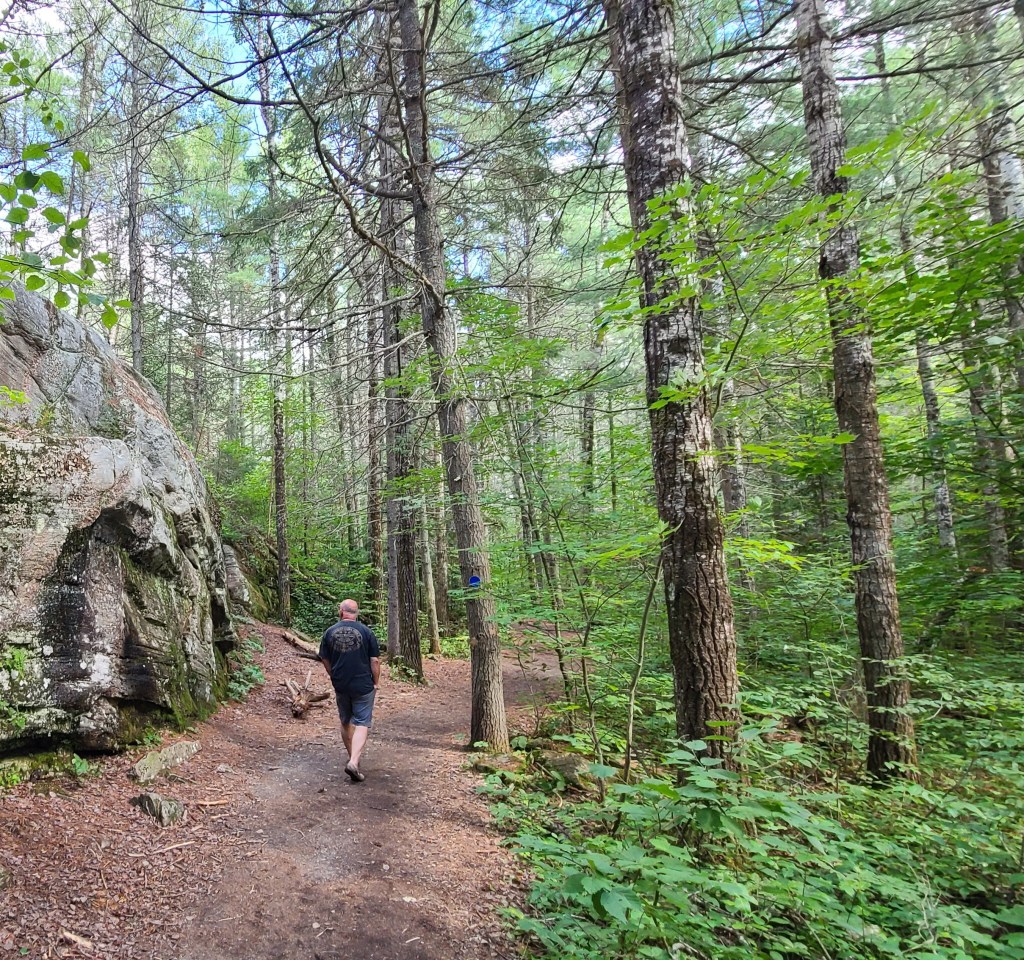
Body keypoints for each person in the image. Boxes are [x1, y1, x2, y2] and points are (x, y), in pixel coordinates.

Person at [319, 599, 381, 782]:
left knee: (346, 720)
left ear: (341, 612)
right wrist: (376, 682)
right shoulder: (367, 632)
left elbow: (324, 658)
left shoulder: (329, 632)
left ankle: (352, 758)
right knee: (362, 722)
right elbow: (375, 661)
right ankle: (354, 761)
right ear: (357, 613)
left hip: (341, 684)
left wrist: (333, 676)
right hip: (363, 685)